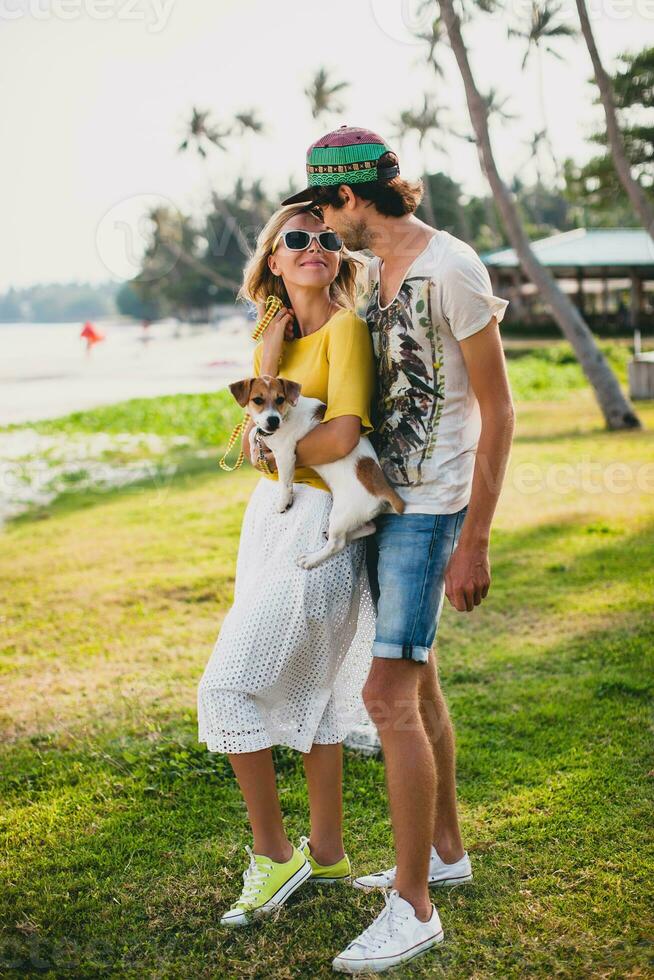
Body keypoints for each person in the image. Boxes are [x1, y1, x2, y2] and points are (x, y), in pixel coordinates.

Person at [280, 126, 516, 973]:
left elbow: (499, 410)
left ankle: (412, 908)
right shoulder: (366, 269)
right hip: (383, 504)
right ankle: (444, 854)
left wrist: (474, 539)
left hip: (432, 511)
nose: (319, 223)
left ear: (352, 198)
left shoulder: (451, 267)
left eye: (323, 206)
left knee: (387, 698)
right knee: (421, 686)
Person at [197, 202, 376, 927]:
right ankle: (327, 854)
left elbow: (342, 432)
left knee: (227, 685)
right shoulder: (273, 338)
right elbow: (252, 437)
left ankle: (275, 857)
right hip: (268, 524)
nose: (314, 247)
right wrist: (268, 362)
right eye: (296, 239)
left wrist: (277, 447)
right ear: (273, 259)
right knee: (319, 692)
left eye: (326, 239)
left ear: (338, 256)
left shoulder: (346, 328)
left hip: (321, 522)